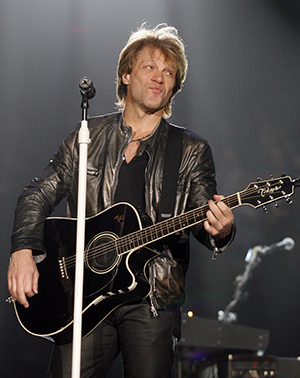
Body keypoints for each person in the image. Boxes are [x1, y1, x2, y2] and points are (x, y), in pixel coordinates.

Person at [7, 24, 235, 378]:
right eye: (150, 67)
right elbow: (37, 193)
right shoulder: (86, 138)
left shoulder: (190, 149)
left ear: (175, 86)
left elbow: (203, 220)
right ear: (126, 74)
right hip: (83, 295)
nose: (160, 77)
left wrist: (221, 230)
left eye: (169, 72)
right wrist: (23, 250)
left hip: (152, 299)